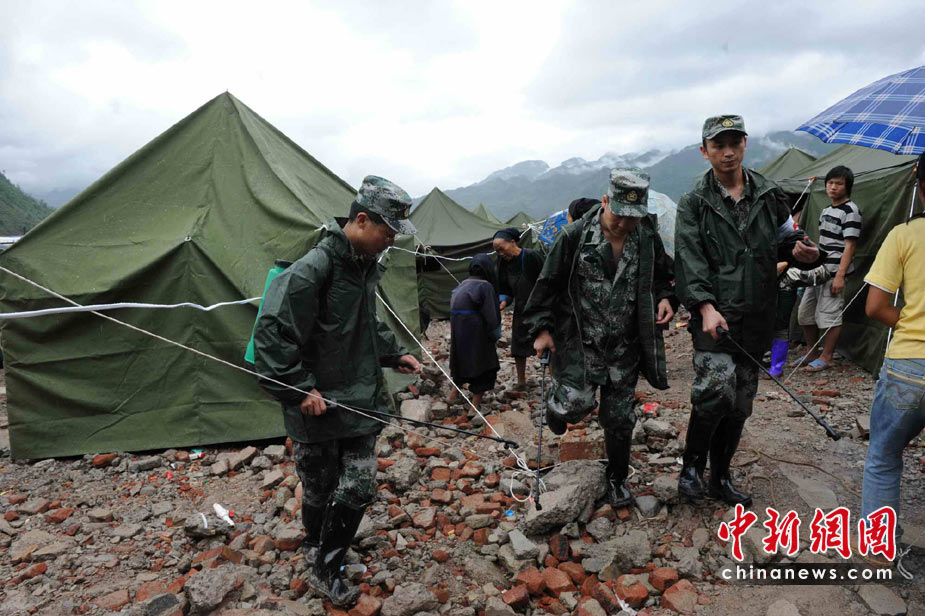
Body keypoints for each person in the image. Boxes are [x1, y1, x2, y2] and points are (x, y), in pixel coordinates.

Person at [253, 175, 422, 607]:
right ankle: (316, 543)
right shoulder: (314, 268)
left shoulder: (363, 266)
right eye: (387, 232)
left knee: (359, 485)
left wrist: (393, 354)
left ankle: (326, 568)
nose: (391, 241)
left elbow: (364, 321)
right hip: (317, 405)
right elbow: (272, 334)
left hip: (360, 398)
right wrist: (298, 390)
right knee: (319, 488)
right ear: (361, 220)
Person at [674, 115, 823, 507]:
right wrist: (705, 306)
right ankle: (691, 470)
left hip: (757, 313)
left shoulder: (769, 194)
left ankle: (721, 476)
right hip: (715, 316)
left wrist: (803, 252)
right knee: (713, 391)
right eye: (718, 145)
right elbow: (689, 259)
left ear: (744, 144)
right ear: (704, 151)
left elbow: (787, 238)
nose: (727, 152)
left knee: (740, 403)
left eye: (734, 143)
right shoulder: (695, 202)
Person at [523, 169, 677, 508]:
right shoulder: (574, 236)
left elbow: (663, 276)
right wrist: (542, 330)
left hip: (625, 345)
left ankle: (617, 479)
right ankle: (557, 406)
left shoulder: (645, 235)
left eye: (632, 218)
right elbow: (547, 285)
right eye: (619, 215)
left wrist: (666, 298)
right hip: (581, 343)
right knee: (575, 405)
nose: (624, 224)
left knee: (619, 419)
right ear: (606, 201)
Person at [859, 151, 925, 566]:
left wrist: (910, 321)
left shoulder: (904, 235)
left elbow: (875, 307)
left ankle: (879, 551)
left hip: (909, 366)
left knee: (884, 457)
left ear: (920, 185)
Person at [798, 166, 863, 371]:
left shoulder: (851, 211)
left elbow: (850, 246)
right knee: (805, 313)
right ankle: (811, 351)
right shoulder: (826, 210)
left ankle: (827, 357)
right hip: (818, 269)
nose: (833, 187)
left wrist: (840, 276)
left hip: (835, 271)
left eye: (839, 183)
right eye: (830, 183)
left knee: (830, 315)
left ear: (848, 187)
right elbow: (825, 242)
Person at [447, 254, 502, 409]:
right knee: (484, 363)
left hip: (459, 331)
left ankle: (453, 395)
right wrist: (494, 335)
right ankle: (474, 406)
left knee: (460, 361)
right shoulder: (485, 286)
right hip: (476, 330)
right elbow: (491, 316)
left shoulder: (462, 285)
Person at [493, 227, 545, 390]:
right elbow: (505, 289)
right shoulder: (502, 262)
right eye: (497, 251)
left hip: (540, 308)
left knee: (547, 344)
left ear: (513, 242)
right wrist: (503, 302)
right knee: (518, 346)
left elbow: (547, 280)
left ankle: (555, 379)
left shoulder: (531, 256)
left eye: (502, 249)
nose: (500, 253)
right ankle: (521, 381)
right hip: (521, 309)